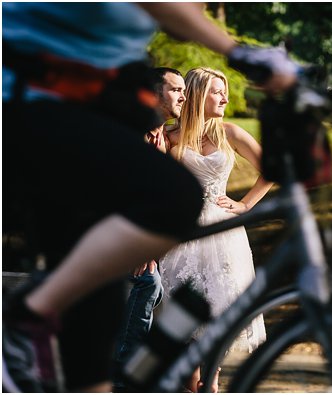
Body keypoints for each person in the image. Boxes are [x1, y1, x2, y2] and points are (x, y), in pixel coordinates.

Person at [2, 3, 297, 392]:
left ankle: (55, 350)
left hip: (85, 106)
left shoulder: (221, 132)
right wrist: (243, 53)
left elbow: (174, 23)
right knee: (173, 196)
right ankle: (26, 319)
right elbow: (169, 10)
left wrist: (244, 203)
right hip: (41, 97)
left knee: (97, 302)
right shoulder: (173, 132)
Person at [160, 67, 273, 392]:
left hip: (224, 238)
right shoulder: (169, 136)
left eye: (224, 91)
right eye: (216, 91)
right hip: (182, 236)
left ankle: (209, 386)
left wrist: (246, 205)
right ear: (196, 94)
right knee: (183, 332)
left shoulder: (230, 132)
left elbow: (270, 170)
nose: (225, 97)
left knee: (217, 329)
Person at [111, 67, 186, 393]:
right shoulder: (133, 131)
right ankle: (126, 378)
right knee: (148, 284)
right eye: (176, 90)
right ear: (156, 94)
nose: (183, 96)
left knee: (153, 287)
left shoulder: (160, 136)